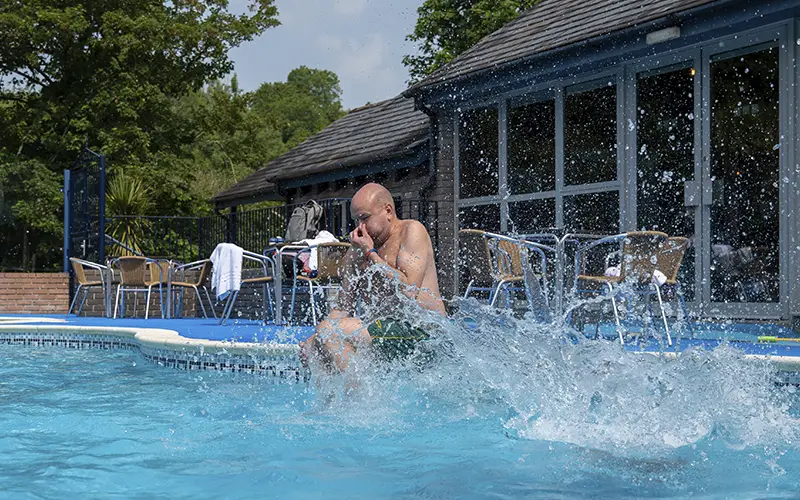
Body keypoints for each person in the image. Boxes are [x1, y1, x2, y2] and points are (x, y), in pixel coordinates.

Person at [299, 183, 446, 372]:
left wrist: (371, 254)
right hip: (385, 331)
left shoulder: (411, 232)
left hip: (424, 333)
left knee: (329, 333)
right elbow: (343, 308)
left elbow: (410, 291)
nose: (360, 227)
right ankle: (337, 401)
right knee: (320, 345)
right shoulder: (356, 252)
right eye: (356, 220)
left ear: (388, 211)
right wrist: (315, 338)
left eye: (365, 218)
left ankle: (357, 400)